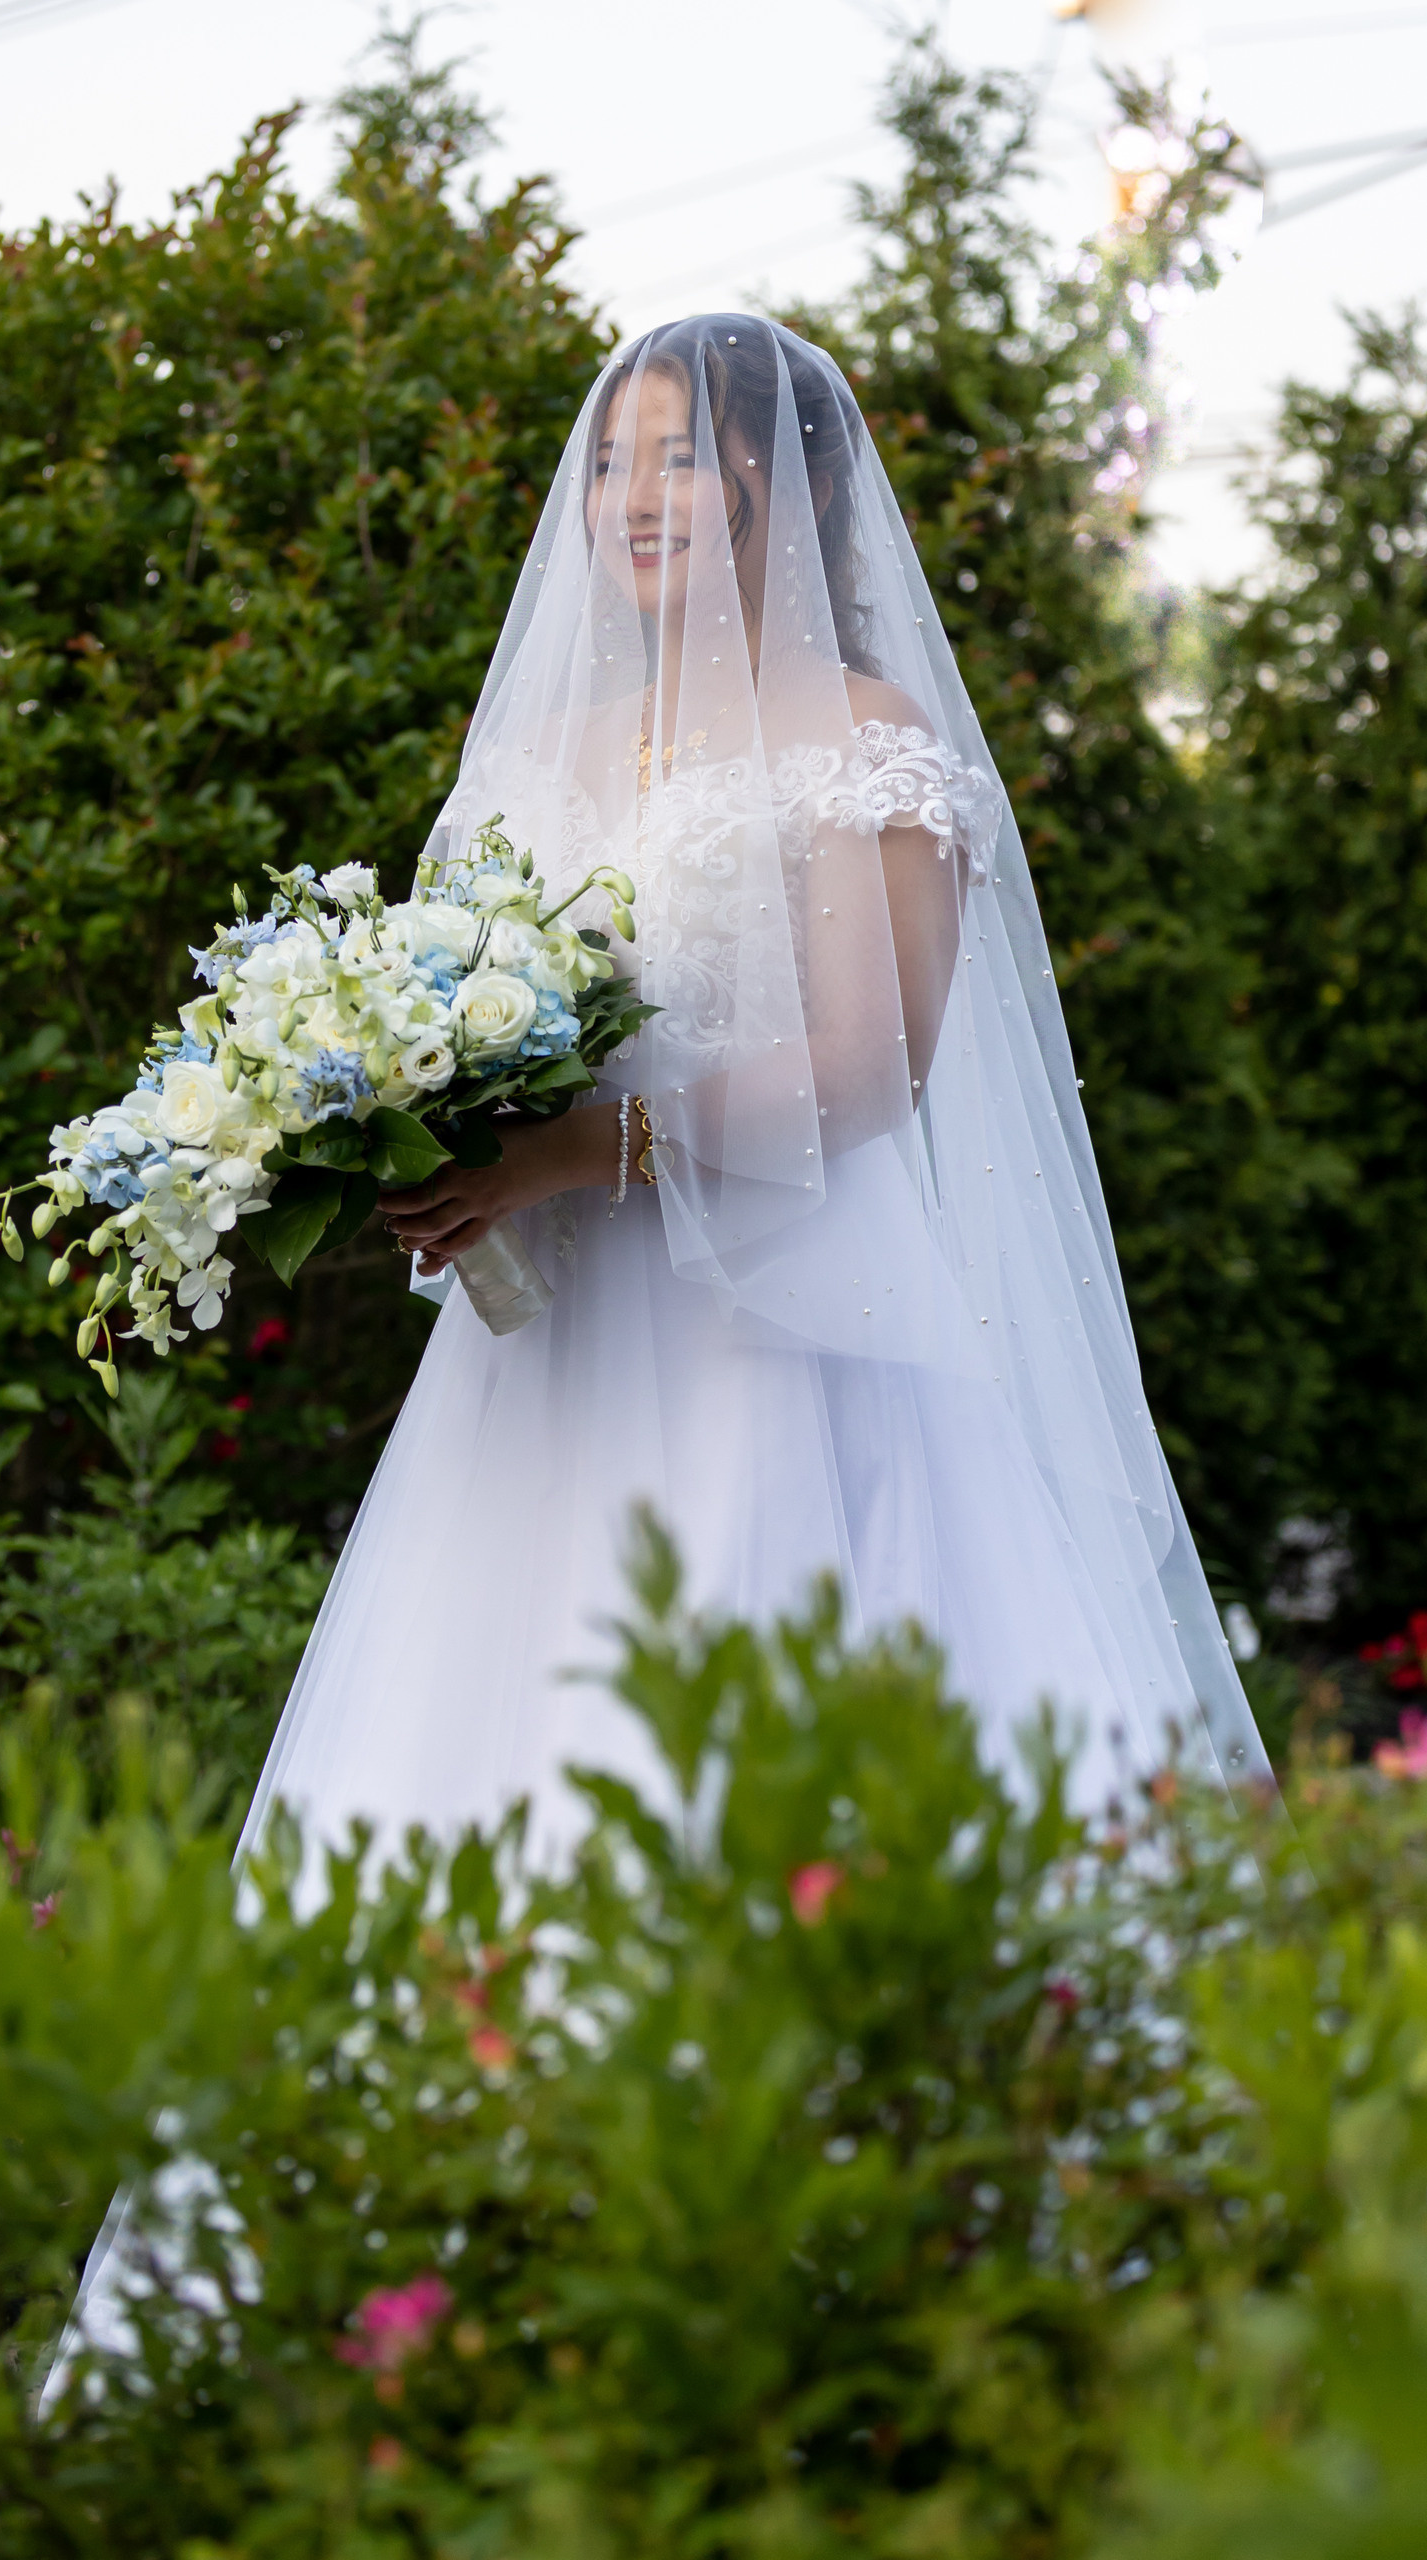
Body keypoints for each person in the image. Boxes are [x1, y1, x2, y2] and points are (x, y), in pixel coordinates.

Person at [240, 312, 1268, 1863]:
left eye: (674, 458)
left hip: (781, 1319)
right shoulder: (540, 757)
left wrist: (582, 1145)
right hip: (555, 1335)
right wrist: (431, 1151)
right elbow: (446, 1023)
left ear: (768, 481)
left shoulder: (861, 738)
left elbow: (867, 1069)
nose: (631, 497)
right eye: (605, 464)